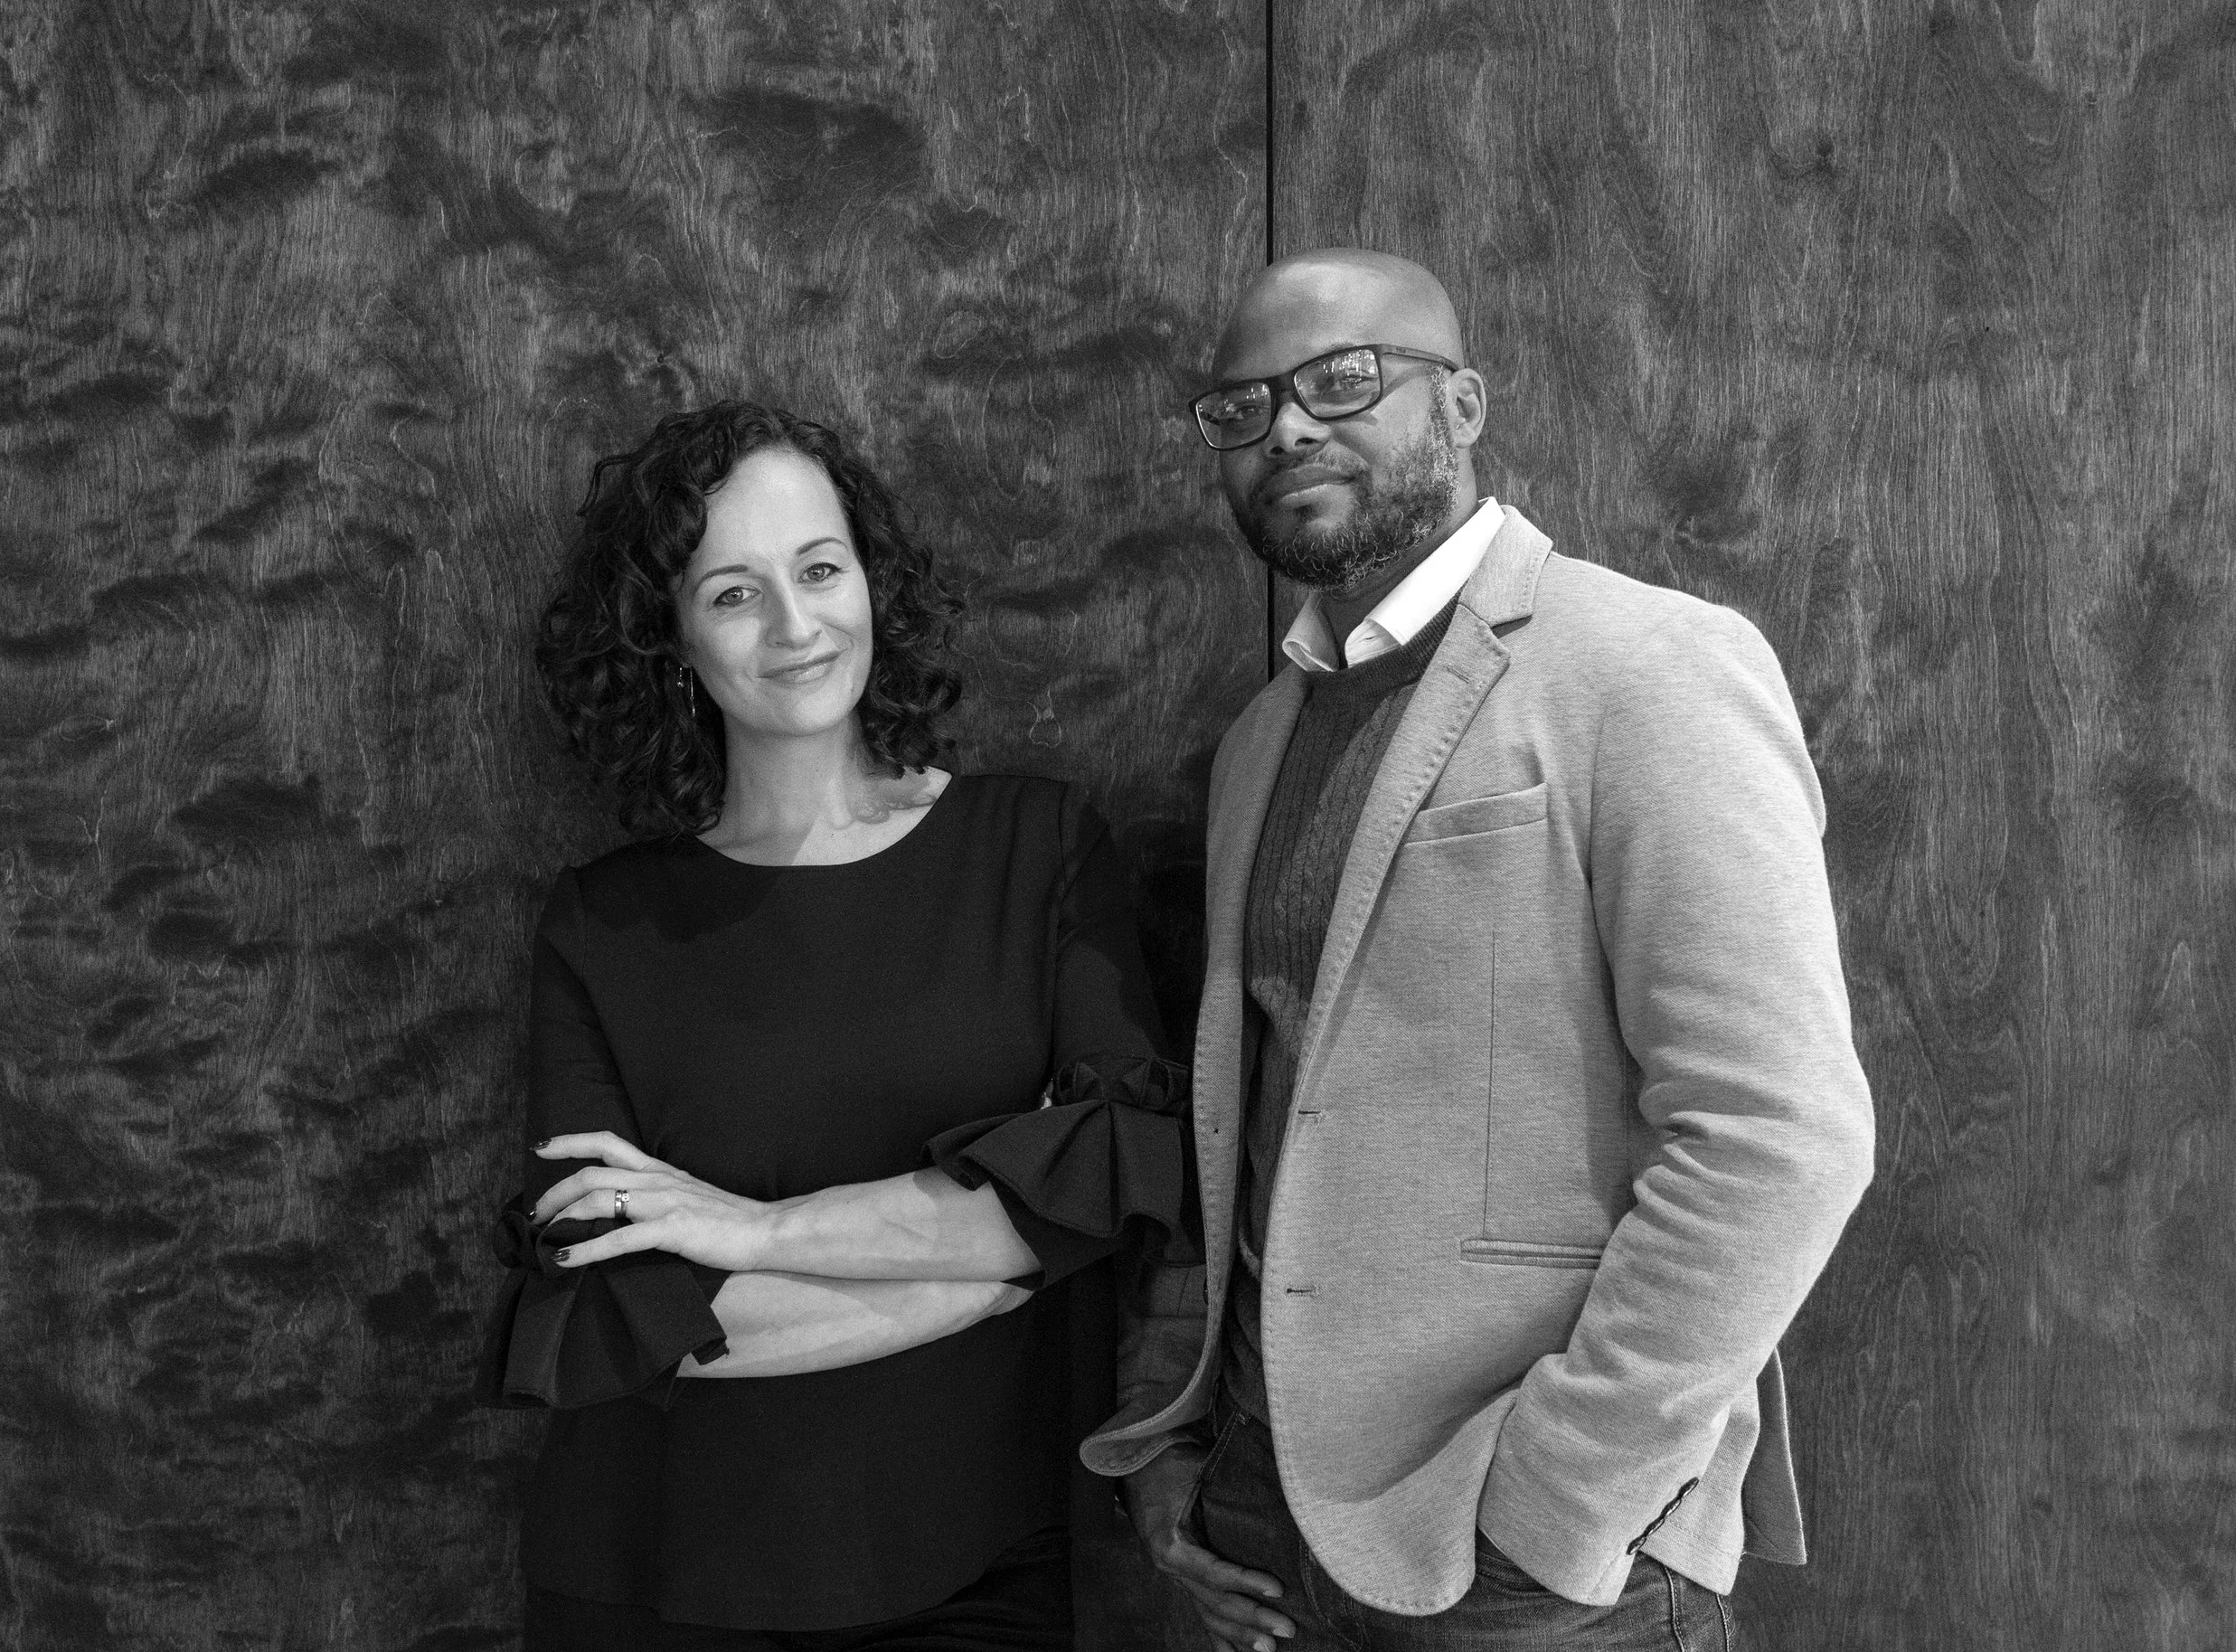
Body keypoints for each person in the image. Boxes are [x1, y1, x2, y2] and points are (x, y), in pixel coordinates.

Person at [1080, 250, 1876, 1652]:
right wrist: (1180, 1433)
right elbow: (1250, 1114)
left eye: (1342, 380)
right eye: (1243, 409)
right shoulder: (1265, 742)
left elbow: (1777, 1135)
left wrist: (1559, 1503)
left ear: (1464, 403)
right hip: (1269, 1519)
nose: (1289, 430)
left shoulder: (1647, 666)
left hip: (1524, 1558)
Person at [480, 400, 1197, 1651]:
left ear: (873, 582)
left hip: (976, 1554)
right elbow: (619, 1322)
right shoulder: (604, 927)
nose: (797, 624)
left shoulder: (1034, 853)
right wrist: (983, 1261)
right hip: (654, 1572)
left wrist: (750, 1234)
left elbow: (1105, 1182)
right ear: (672, 640)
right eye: (733, 593)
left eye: (820, 569)